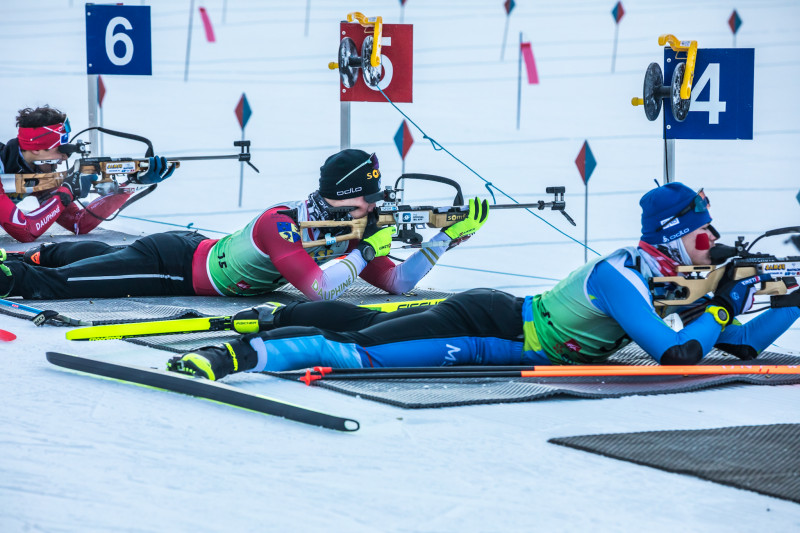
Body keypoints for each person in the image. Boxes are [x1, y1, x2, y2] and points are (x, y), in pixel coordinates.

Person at [164, 182, 800, 380]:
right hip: (488, 327)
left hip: (501, 325)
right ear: (667, 235)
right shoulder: (621, 273)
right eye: (699, 235)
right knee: (364, 355)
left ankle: (269, 321)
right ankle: (237, 353)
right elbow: (677, 354)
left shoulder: (668, 274)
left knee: (371, 324)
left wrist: (789, 299)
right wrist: (719, 304)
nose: (707, 245)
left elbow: (741, 345)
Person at [0, 149, 489, 301]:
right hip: (174, 265)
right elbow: (318, 288)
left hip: (195, 249)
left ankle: (39, 254)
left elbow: (398, 283)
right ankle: (13, 271)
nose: (375, 208)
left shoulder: (353, 228)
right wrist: (362, 252)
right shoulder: (282, 224)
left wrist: (445, 239)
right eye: (369, 199)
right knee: (58, 287)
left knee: (84, 260)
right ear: (342, 199)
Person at [0, 105, 176, 243]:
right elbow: (25, 231)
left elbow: (78, 223)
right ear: (38, 149)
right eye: (61, 149)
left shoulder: (38, 172)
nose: (64, 158)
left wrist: (130, 184)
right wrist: (67, 191)